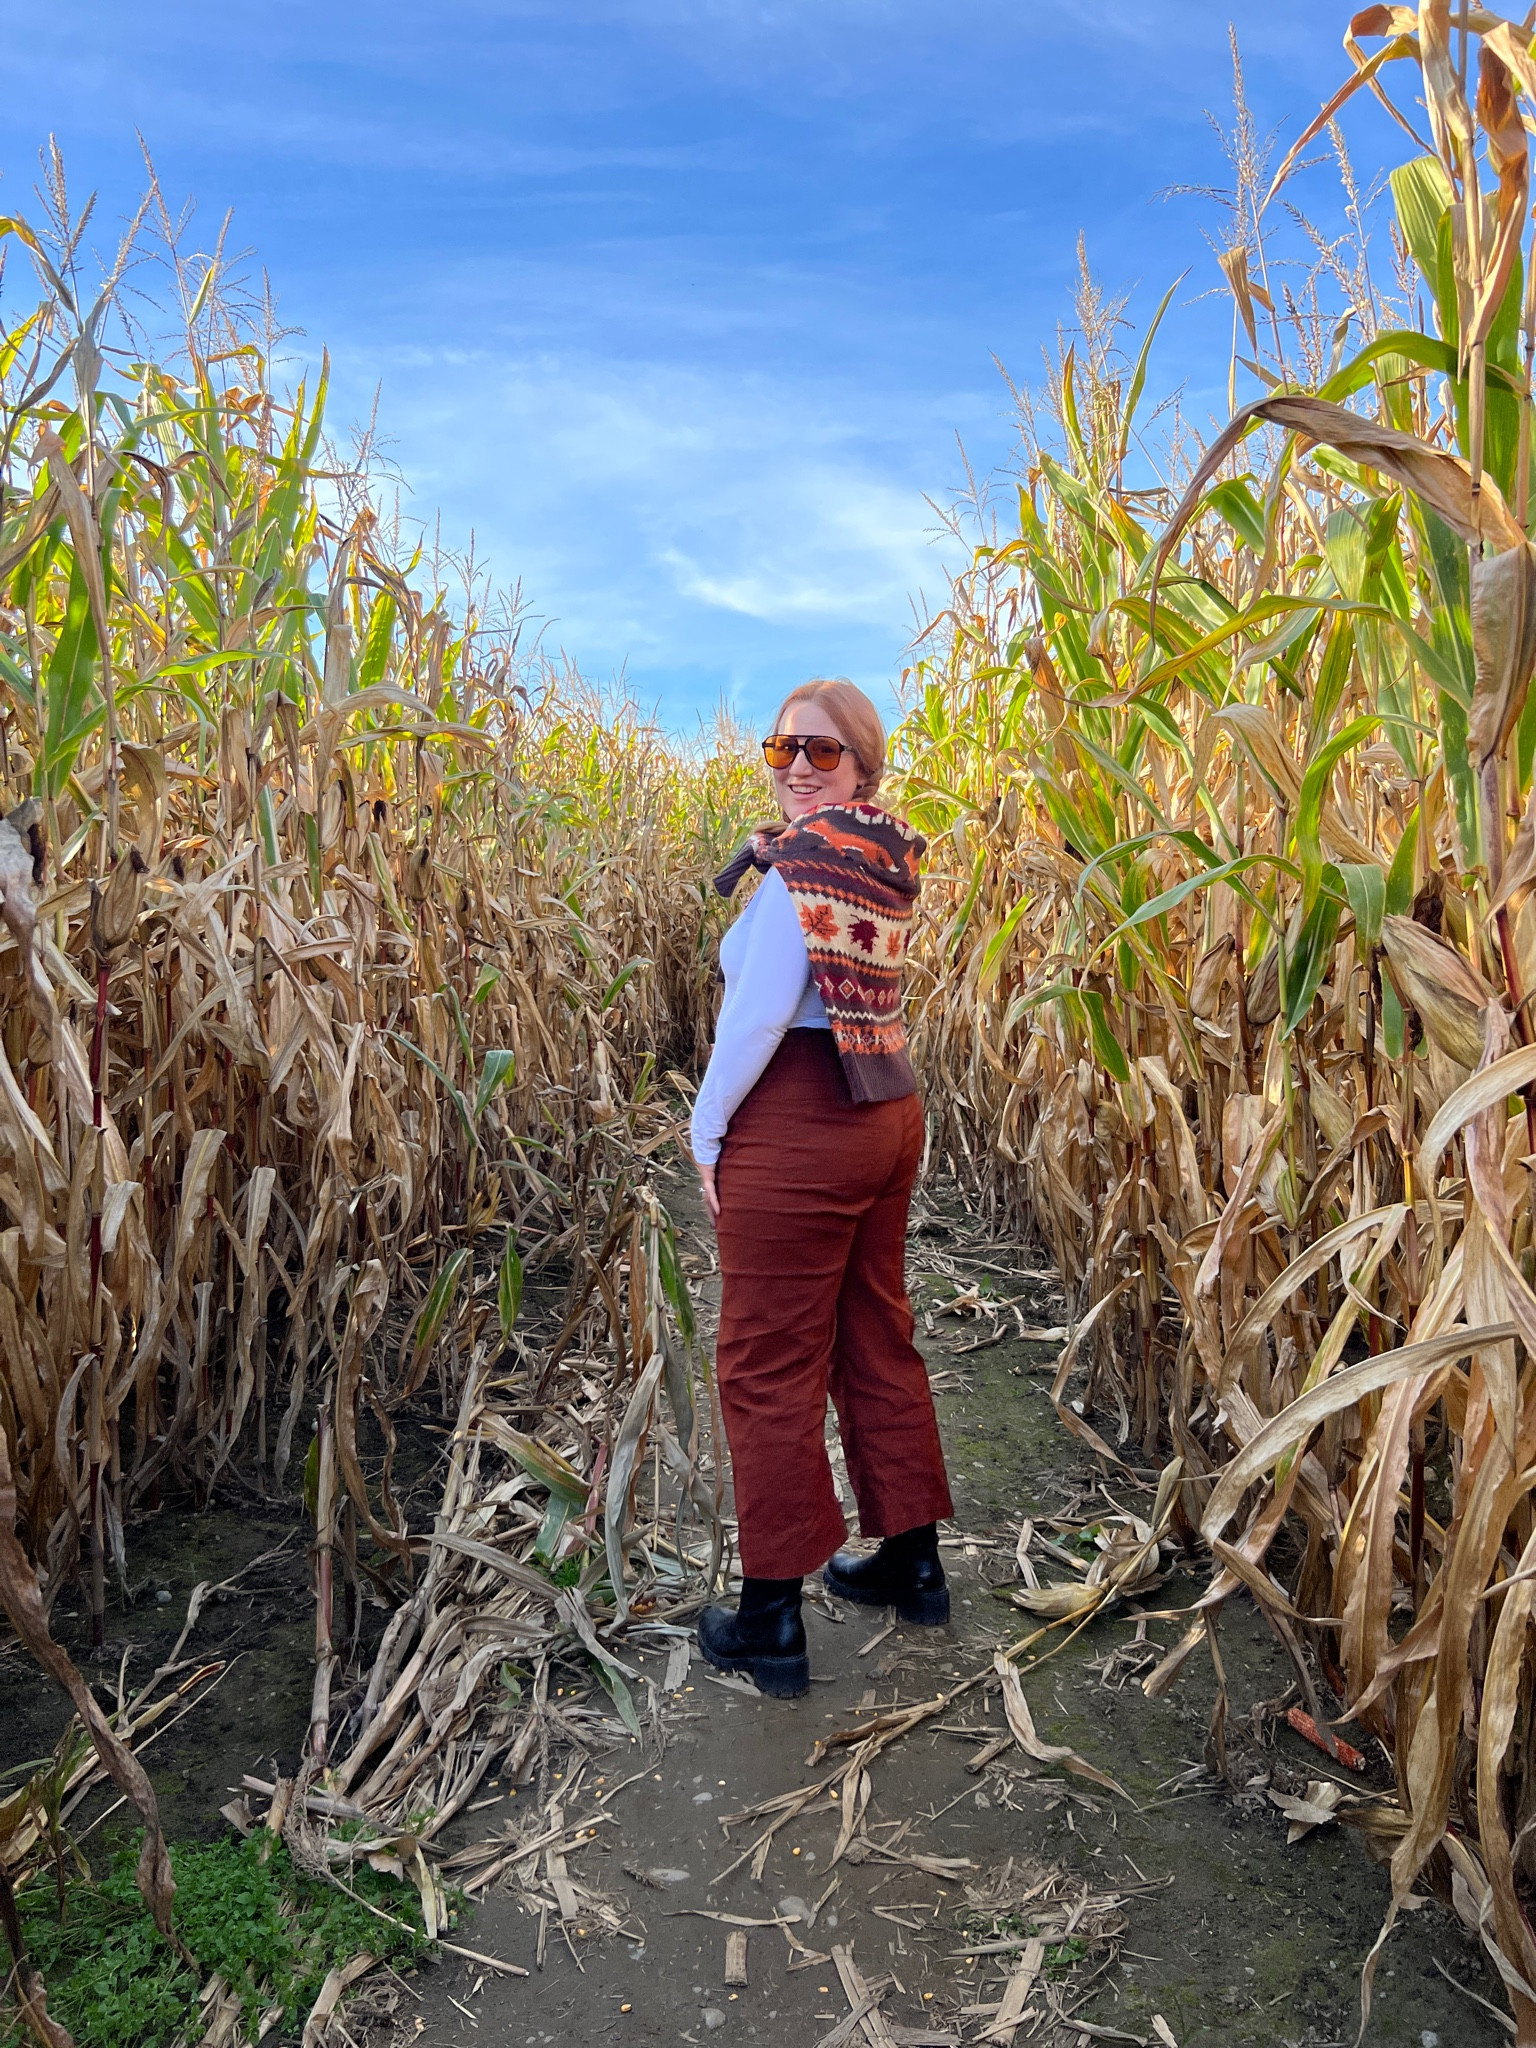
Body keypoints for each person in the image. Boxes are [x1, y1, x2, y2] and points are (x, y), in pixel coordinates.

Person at [690, 677, 954, 1698]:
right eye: (782, 747)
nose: (798, 764)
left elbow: (757, 1015)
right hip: (885, 1103)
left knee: (765, 1360)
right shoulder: (882, 850)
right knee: (874, 1326)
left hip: (801, 1112)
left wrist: (707, 1128)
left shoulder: (805, 866)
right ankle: (912, 1560)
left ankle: (768, 1620)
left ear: (863, 764)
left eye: (824, 750)